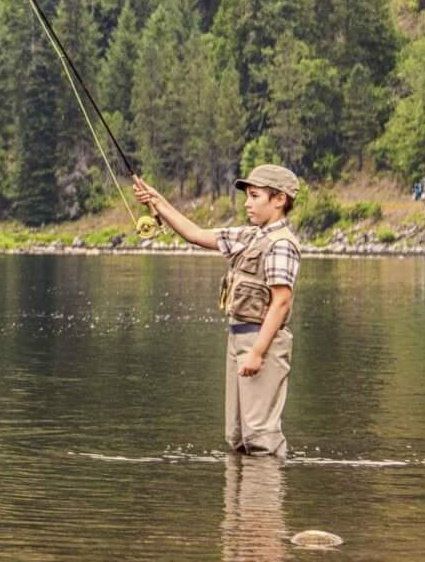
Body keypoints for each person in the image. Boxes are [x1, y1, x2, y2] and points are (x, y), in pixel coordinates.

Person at [130, 164, 303, 458]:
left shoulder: (281, 244)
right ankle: (239, 504)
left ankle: (263, 503)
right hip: (238, 339)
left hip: (262, 343)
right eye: (247, 196)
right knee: (237, 437)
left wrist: (258, 352)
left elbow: (281, 301)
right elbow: (195, 234)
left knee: (260, 436)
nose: (247, 203)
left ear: (279, 199)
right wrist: (157, 201)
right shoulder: (249, 236)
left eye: (254, 195)